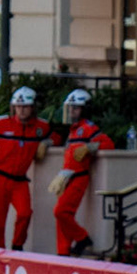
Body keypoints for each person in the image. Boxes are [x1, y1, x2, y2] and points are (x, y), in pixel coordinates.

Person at [0, 87, 51, 250]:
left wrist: (47, 143)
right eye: (18, 107)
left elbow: (54, 135)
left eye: (25, 106)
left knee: (25, 213)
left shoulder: (40, 127)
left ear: (32, 108)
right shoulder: (2, 124)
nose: (21, 110)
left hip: (19, 181)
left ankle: (17, 246)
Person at [49, 88, 113, 257]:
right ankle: (63, 251)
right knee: (61, 217)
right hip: (66, 176)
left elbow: (108, 143)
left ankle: (82, 237)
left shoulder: (88, 128)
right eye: (70, 108)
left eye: (75, 108)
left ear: (84, 110)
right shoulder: (72, 130)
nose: (71, 112)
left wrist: (90, 147)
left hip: (78, 177)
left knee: (61, 212)